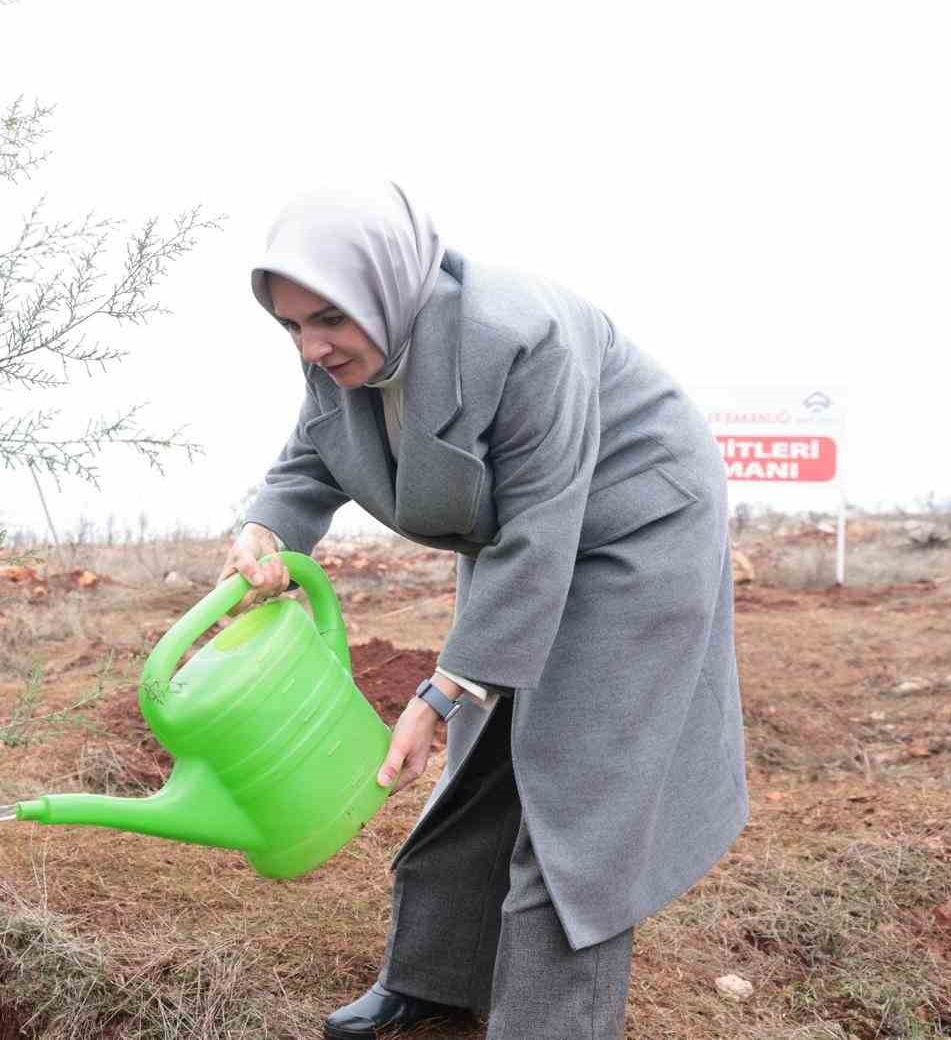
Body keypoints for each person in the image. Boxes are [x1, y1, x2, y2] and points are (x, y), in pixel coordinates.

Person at [219, 182, 747, 1039]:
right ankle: (434, 977)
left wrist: (441, 690)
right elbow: (308, 461)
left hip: (632, 529)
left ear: (382, 289)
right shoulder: (346, 362)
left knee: (579, 783)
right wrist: (264, 529)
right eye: (291, 326)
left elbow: (544, 528)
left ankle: (548, 1023)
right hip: (520, 541)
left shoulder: (517, 335)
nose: (311, 346)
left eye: (328, 320)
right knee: (483, 754)